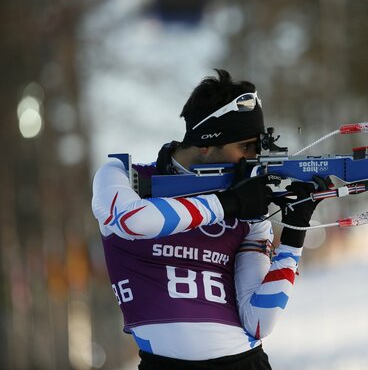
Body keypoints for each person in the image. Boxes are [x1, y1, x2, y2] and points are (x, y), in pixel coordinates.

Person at [91, 69, 321, 369]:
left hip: (245, 362)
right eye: (244, 147)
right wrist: (229, 203)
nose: (252, 158)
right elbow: (133, 221)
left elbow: (260, 323)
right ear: (206, 144)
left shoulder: (249, 211)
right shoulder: (123, 175)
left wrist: (293, 239)